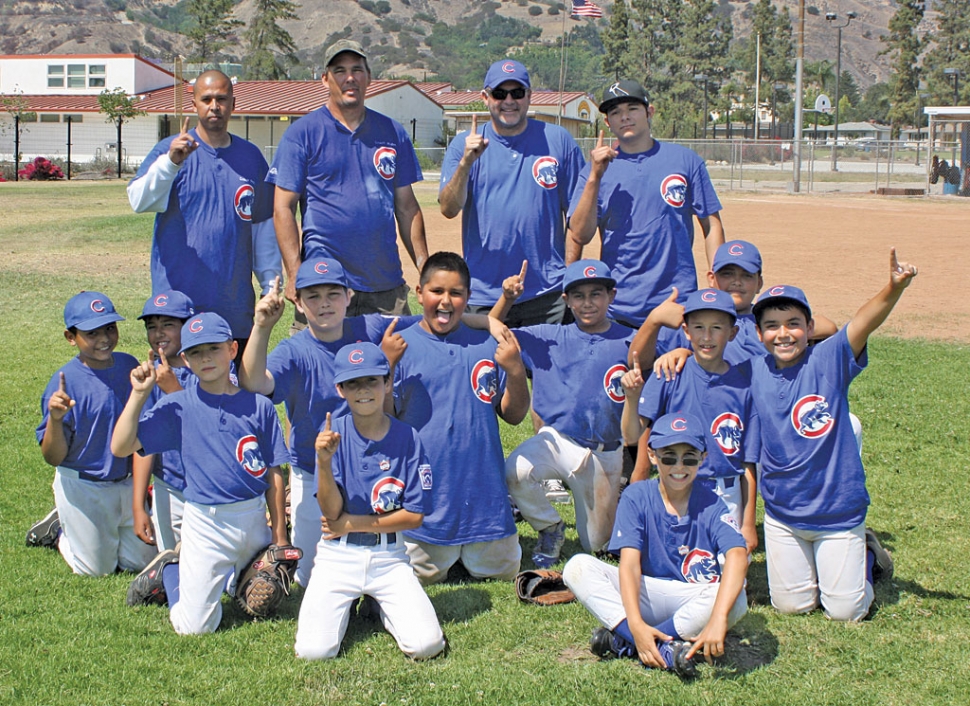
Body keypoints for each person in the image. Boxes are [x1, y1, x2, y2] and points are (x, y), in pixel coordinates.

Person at [749, 249, 915, 621]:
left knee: (845, 611)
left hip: (836, 513)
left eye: (793, 323)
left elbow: (861, 323)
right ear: (759, 334)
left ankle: (868, 554)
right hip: (783, 514)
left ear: (810, 329)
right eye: (772, 326)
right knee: (792, 607)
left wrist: (894, 287)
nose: (783, 334)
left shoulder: (828, 360)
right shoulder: (754, 371)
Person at [113, 312, 290, 635]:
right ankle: (170, 569)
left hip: (253, 519)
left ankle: (232, 576)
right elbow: (121, 447)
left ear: (232, 350)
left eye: (214, 348)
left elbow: (273, 474)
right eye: (196, 352)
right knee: (195, 627)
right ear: (185, 358)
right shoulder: (178, 406)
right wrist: (139, 395)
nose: (206, 358)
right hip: (206, 523)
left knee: (263, 597)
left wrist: (279, 535)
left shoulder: (259, 407)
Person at [239, 258, 413, 586]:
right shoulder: (294, 351)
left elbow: (431, 324)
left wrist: (490, 321)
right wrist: (261, 326)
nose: (324, 304)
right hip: (313, 471)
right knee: (310, 577)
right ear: (299, 303)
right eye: (313, 296)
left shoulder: (371, 327)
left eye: (333, 294)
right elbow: (253, 385)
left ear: (349, 296)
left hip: (374, 467)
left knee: (386, 565)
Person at [563, 412, 749, 679]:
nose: (679, 467)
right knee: (577, 567)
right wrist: (636, 623)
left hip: (692, 597)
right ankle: (646, 641)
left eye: (690, 457)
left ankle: (624, 641)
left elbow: (738, 555)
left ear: (703, 459)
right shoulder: (637, 495)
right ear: (652, 456)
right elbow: (629, 566)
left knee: (737, 599)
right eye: (669, 456)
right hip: (647, 593)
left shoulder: (711, 502)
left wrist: (719, 617)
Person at [494, 259, 652, 568]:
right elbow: (494, 331)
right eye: (578, 296)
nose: (588, 303)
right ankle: (550, 528)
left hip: (605, 453)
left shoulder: (628, 339)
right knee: (515, 470)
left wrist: (677, 350)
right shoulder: (549, 337)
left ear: (612, 296)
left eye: (597, 294)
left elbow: (676, 347)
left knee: (597, 543)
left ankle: (603, 514)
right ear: (566, 301)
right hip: (558, 442)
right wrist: (507, 300)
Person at [295, 343, 446, 660]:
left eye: (372, 381)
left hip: (388, 556)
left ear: (387, 382)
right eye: (353, 383)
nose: (363, 390)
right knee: (313, 652)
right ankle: (348, 603)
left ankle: (380, 606)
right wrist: (323, 462)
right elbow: (331, 511)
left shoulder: (407, 437)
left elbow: (415, 515)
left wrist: (352, 523)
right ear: (340, 389)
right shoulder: (333, 434)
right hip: (339, 557)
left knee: (426, 646)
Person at [394, 252, 530, 584]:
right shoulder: (400, 347)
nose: (445, 301)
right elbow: (386, 423)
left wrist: (514, 371)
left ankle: (472, 546)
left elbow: (513, 415)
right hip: (426, 505)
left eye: (456, 293)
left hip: (484, 503)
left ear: (467, 298)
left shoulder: (486, 344)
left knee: (504, 570)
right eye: (436, 291)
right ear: (418, 292)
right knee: (410, 577)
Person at [268, 40, 428, 318]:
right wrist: (294, 273)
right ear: (325, 79)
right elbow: (282, 208)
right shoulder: (302, 134)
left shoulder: (392, 132)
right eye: (340, 70)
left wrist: (426, 270)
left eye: (357, 69)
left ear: (369, 78)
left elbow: (407, 207)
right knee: (317, 362)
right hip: (324, 284)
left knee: (393, 360)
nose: (349, 78)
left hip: (384, 285)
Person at [127, 70, 280, 353]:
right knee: (179, 392)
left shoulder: (251, 158)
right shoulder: (171, 151)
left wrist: (269, 284)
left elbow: (262, 228)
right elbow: (139, 200)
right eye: (206, 99)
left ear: (233, 104)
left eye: (222, 99)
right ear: (194, 104)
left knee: (234, 392)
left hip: (233, 305)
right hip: (177, 307)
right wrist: (171, 163)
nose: (214, 106)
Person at [439, 59, 586, 326]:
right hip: (485, 294)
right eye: (499, 93)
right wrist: (466, 163)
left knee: (543, 369)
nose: (509, 100)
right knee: (486, 368)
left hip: (546, 294)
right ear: (485, 98)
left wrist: (569, 275)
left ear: (529, 96)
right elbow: (448, 209)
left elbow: (579, 217)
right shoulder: (464, 144)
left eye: (517, 93)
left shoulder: (558, 140)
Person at [567, 80, 725, 327]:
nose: (625, 117)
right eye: (615, 112)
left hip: (676, 303)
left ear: (649, 112)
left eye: (632, 108)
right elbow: (580, 233)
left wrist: (718, 278)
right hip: (619, 308)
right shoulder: (593, 171)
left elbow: (711, 225)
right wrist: (595, 177)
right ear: (607, 122)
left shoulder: (684, 161)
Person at [622, 288, 760, 555]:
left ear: (732, 333)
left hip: (725, 491)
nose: (706, 337)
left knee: (725, 583)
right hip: (675, 486)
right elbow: (630, 435)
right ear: (686, 332)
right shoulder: (668, 372)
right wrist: (631, 398)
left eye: (716, 327)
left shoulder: (745, 385)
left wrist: (748, 524)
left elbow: (748, 464)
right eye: (698, 327)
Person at [34, 291, 156, 576]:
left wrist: (139, 504)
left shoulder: (128, 366)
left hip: (125, 482)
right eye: (92, 332)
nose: (104, 338)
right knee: (96, 569)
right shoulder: (64, 382)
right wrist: (55, 419)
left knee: (140, 563)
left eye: (110, 328)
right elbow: (53, 457)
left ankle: (84, 529)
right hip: (84, 485)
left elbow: (142, 437)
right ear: (70, 337)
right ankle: (60, 533)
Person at [131, 290, 197, 552]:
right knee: (171, 559)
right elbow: (144, 444)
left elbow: (214, 425)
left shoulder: (212, 366)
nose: (159, 333)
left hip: (213, 482)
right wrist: (138, 505)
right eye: (152, 326)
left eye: (168, 324)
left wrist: (173, 390)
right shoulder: (150, 376)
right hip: (169, 483)